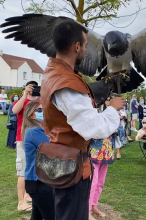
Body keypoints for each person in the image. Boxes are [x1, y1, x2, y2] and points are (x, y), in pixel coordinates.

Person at [40, 20, 124, 220]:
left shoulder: (51, 73)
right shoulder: (67, 82)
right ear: (77, 46)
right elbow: (93, 128)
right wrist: (112, 109)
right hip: (72, 168)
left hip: (60, 161)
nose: (86, 50)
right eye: (86, 45)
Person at [22, 101, 55, 220]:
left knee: (37, 216)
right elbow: (53, 149)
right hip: (39, 182)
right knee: (52, 216)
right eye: (40, 110)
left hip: (39, 181)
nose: (44, 112)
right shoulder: (34, 131)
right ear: (31, 115)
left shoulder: (41, 130)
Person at [13, 81, 39, 211]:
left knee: (32, 168)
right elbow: (14, 110)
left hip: (36, 139)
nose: (32, 90)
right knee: (22, 171)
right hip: (22, 138)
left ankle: (27, 195)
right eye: (30, 87)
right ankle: (20, 202)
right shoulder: (22, 101)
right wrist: (24, 95)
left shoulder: (38, 101)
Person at [89, 134, 116, 220]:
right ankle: (87, 211)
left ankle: (94, 205)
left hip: (107, 150)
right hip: (94, 150)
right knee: (93, 182)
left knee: (100, 182)